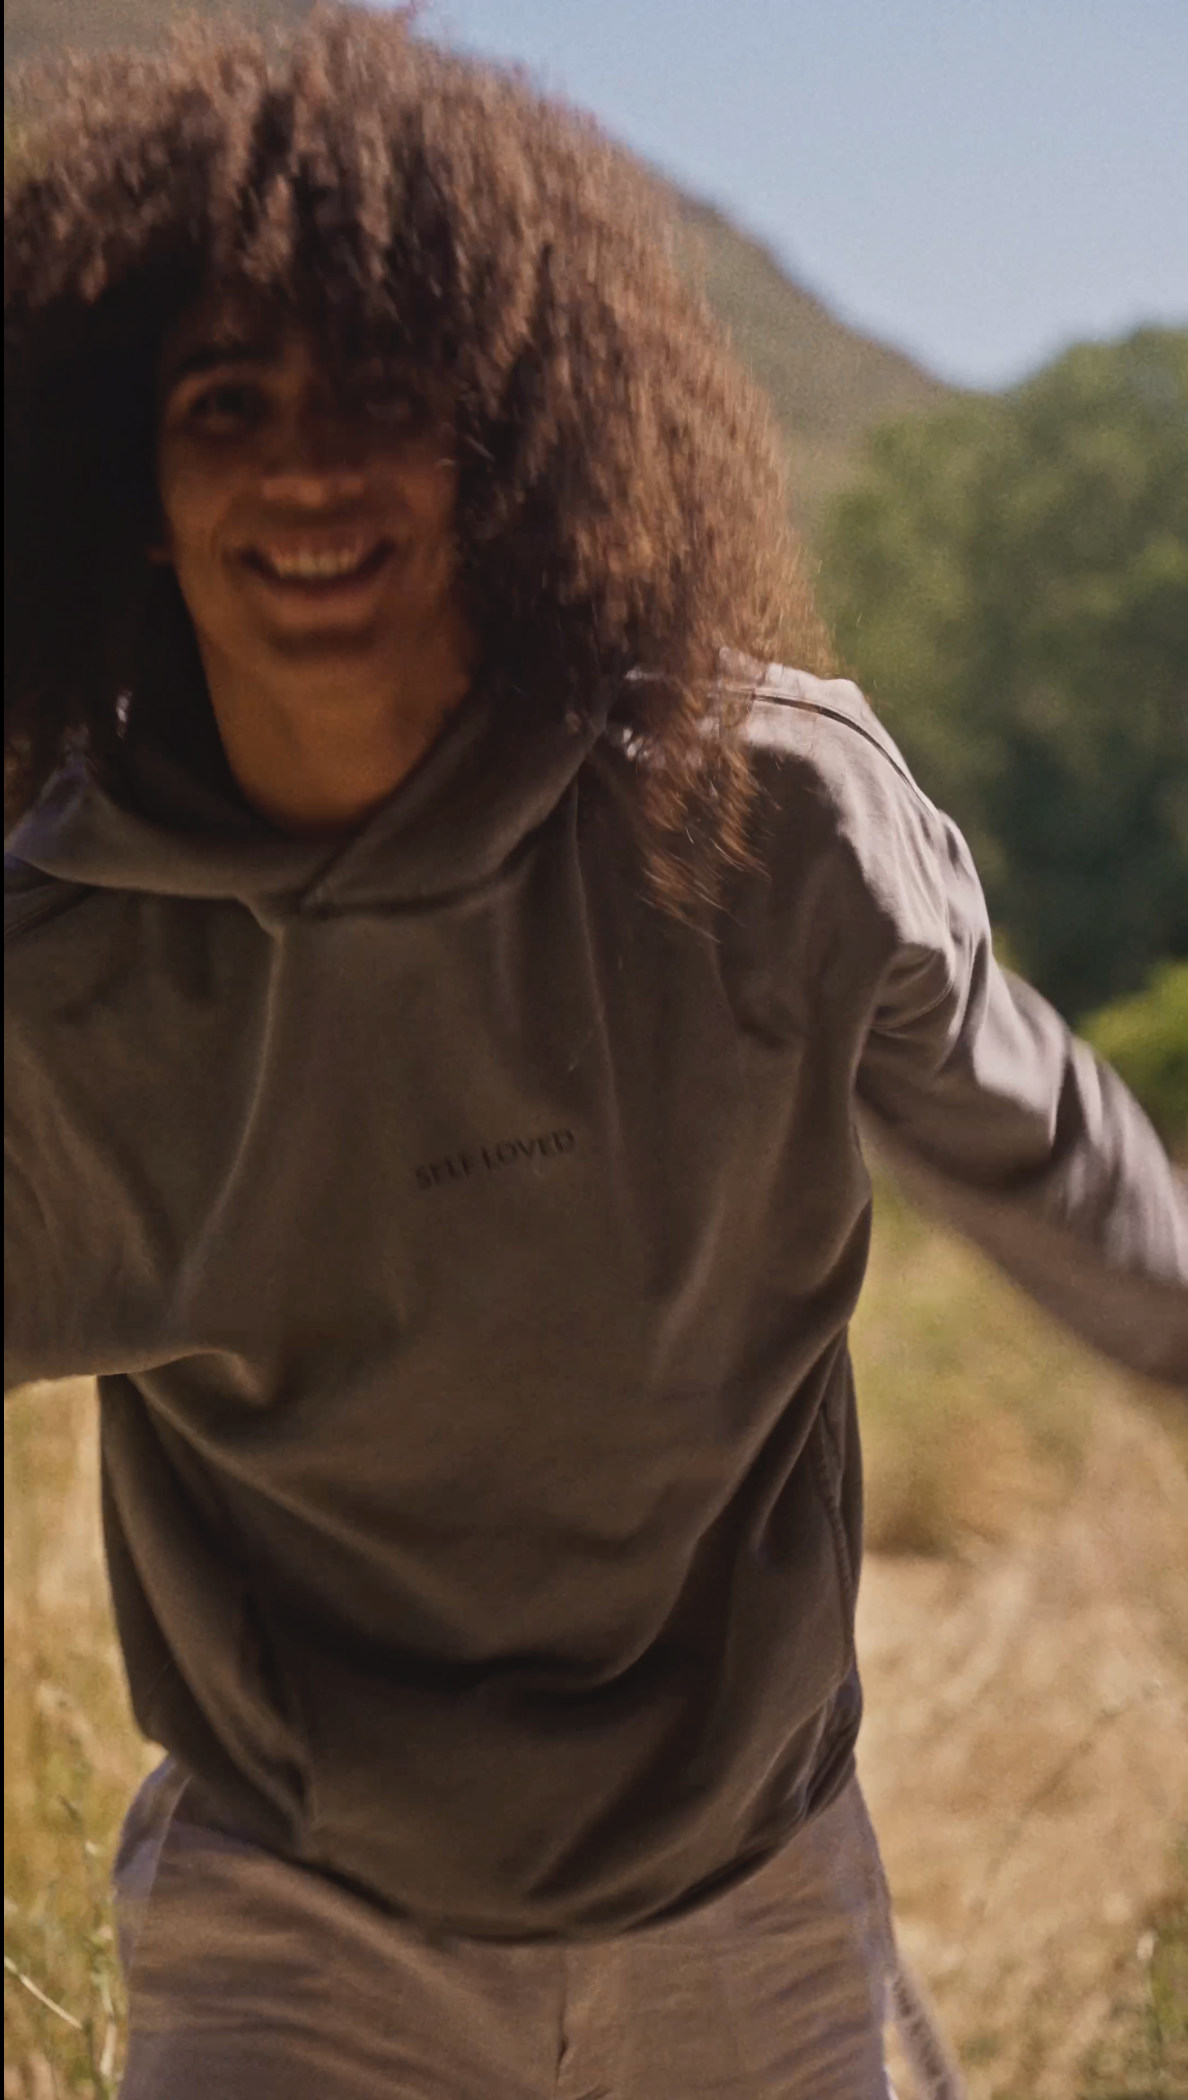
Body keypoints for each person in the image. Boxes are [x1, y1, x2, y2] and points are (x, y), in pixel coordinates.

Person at [4, 11, 1185, 2098]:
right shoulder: (63, 988)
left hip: (757, 1904)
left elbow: (1050, 1153)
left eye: (385, 392)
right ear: (135, 483)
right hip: (297, 1935)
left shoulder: (765, 829)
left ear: (507, 438)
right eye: (226, 400)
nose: (306, 466)